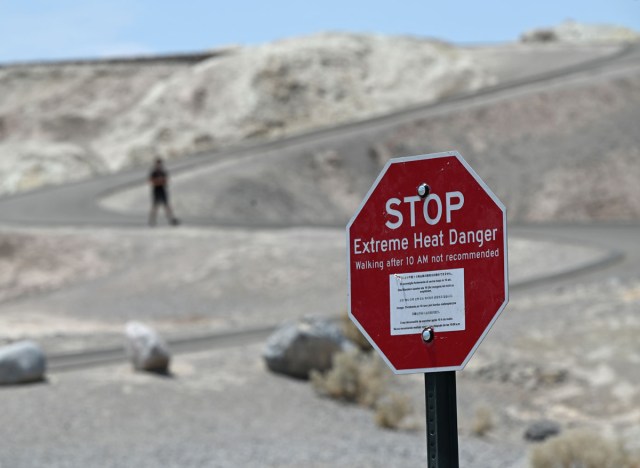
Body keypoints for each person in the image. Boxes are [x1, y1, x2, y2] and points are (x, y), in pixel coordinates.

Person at [148, 158, 179, 226]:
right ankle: (152, 220)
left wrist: (160, 181)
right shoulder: (154, 172)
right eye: (157, 163)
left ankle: (171, 219)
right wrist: (159, 181)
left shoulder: (163, 172)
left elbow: (166, 180)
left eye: (159, 163)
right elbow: (151, 181)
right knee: (155, 206)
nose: (159, 165)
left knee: (167, 205)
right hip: (156, 190)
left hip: (162, 189)